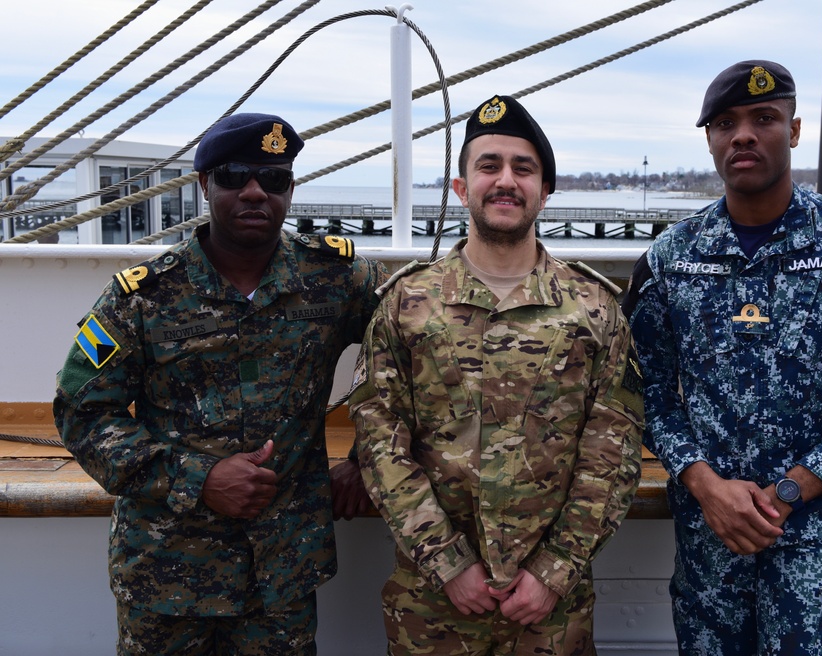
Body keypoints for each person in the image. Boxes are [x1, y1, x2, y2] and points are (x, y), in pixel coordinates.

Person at [624, 61, 822, 655]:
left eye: (763, 118)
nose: (743, 134)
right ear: (711, 140)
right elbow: (646, 390)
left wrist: (792, 489)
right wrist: (703, 483)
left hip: (815, 540)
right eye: (726, 123)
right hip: (710, 541)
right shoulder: (670, 259)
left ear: (793, 130)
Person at [54, 112, 386, 655]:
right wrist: (199, 478)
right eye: (234, 176)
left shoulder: (336, 279)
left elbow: (412, 354)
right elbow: (83, 414)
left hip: (283, 573)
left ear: (290, 188)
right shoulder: (142, 296)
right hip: (166, 575)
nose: (255, 192)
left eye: (273, 178)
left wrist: (365, 456)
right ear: (205, 184)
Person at [349, 94, 644, 655]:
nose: (505, 180)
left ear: (545, 191)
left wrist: (555, 570)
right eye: (489, 166)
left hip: (552, 613)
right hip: (433, 606)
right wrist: (447, 561)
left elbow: (614, 447)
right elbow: (379, 440)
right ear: (462, 188)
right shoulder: (407, 303)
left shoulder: (596, 308)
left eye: (523, 168)